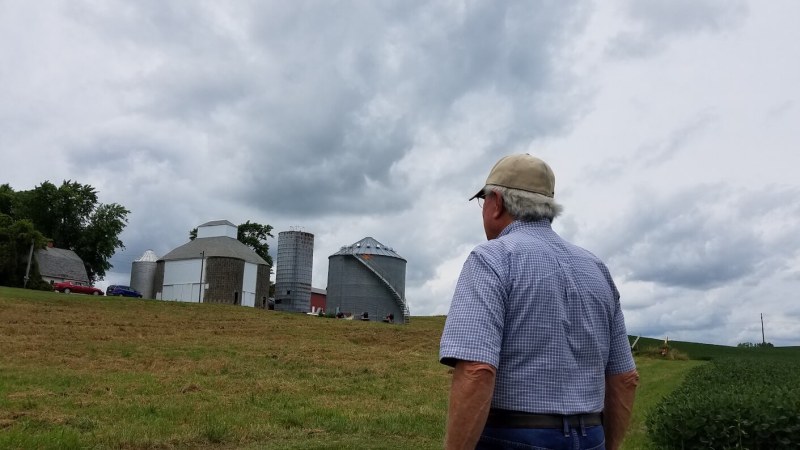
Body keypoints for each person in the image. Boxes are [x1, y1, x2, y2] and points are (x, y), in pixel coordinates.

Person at [439, 154, 639, 450]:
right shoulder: (597, 269)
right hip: (591, 436)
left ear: (497, 203)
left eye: (483, 200)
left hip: (512, 436)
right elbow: (625, 378)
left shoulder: (491, 259)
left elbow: (476, 370)